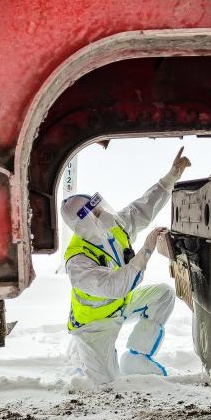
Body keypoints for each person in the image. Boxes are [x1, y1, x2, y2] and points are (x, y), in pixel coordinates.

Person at [60, 148, 191, 384]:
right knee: (106, 386)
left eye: (100, 208)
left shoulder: (112, 229)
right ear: (84, 222)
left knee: (163, 295)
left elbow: (141, 209)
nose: (103, 214)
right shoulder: (78, 260)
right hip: (95, 325)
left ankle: (137, 357)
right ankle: (81, 355)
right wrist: (145, 252)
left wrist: (169, 179)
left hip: (121, 305)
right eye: (96, 212)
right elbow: (115, 286)